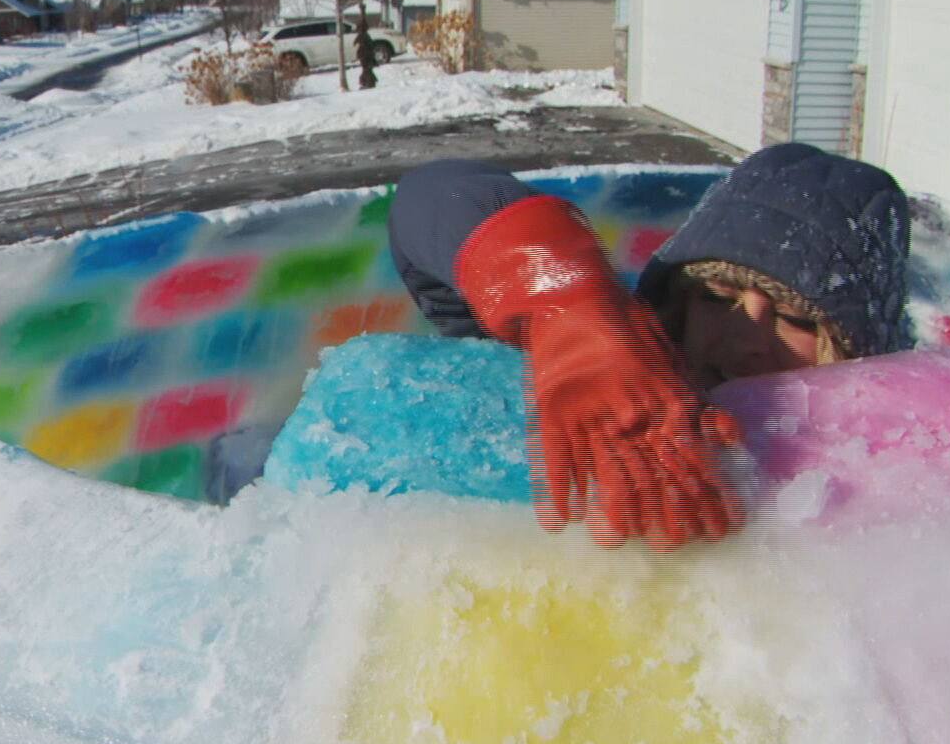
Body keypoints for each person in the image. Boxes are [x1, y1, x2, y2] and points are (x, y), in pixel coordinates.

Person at [388, 142, 914, 550]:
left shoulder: (901, 464)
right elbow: (432, 195)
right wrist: (562, 304)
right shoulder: (596, 396)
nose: (741, 338)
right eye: (715, 297)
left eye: (795, 317)